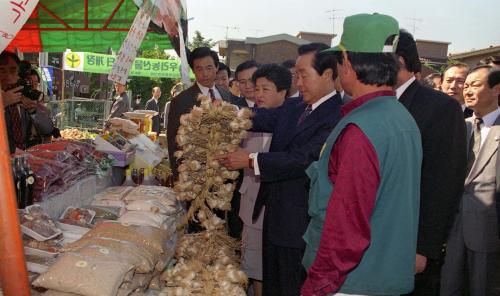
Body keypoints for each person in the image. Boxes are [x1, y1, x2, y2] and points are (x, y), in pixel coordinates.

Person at [301, 14, 422, 296]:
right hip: (383, 276)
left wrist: (318, 285)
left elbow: (346, 223)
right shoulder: (401, 118)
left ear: (348, 62)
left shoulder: (361, 128)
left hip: (350, 283)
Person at [217, 42, 342, 295]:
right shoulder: (296, 107)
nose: (298, 82)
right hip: (274, 215)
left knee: (290, 285)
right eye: (296, 75)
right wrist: (227, 113)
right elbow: (261, 117)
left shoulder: (336, 116)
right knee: (272, 281)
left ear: (328, 74)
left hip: (299, 224)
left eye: (303, 75)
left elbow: (303, 158)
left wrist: (251, 160)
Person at [395, 30, 468, 296]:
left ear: (399, 61)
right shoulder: (373, 104)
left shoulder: (439, 108)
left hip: (412, 244)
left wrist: (423, 247)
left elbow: (444, 183)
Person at [440, 65, 500, 296]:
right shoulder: (459, 126)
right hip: (453, 228)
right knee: (448, 287)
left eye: (475, 85)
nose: (467, 90)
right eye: (467, 86)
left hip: (489, 230)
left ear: (496, 89)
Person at [238, 63, 291, 296]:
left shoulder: (291, 123)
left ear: (283, 92)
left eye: (265, 89)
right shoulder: (249, 119)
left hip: (277, 209)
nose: (258, 94)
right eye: (255, 88)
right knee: (255, 267)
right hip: (251, 205)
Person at [167, 46, 232, 181]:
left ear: (216, 67)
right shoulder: (181, 101)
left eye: (209, 68)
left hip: (226, 173)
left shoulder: (226, 94)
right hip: (195, 175)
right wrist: (179, 178)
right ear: (193, 70)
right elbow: (173, 142)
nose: (205, 74)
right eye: (199, 69)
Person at [0, 52, 54, 152]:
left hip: (23, 161)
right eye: (2, 70)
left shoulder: (24, 95)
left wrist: (33, 110)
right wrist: (2, 104)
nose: (7, 76)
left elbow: (47, 129)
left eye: (13, 71)